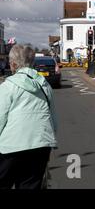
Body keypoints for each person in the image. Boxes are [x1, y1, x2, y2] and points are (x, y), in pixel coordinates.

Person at [0, 44, 57, 189]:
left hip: (10, 148)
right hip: (41, 146)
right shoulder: (45, 86)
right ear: (32, 63)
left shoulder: (7, 87)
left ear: (13, 64)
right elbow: (53, 119)